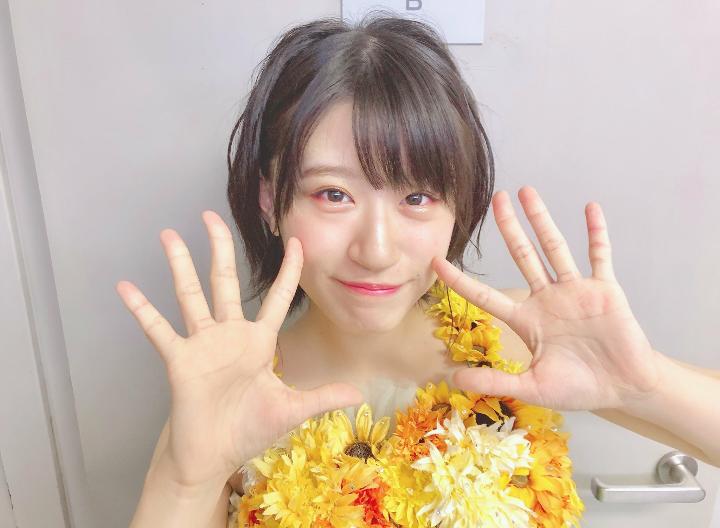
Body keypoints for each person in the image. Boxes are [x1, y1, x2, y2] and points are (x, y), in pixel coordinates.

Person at [115, 12, 720, 528]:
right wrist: (186, 482)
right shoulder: (231, 394)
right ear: (272, 202)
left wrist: (645, 387)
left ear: (457, 208)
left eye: (417, 197)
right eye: (333, 194)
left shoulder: (520, 340)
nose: (376, 250)